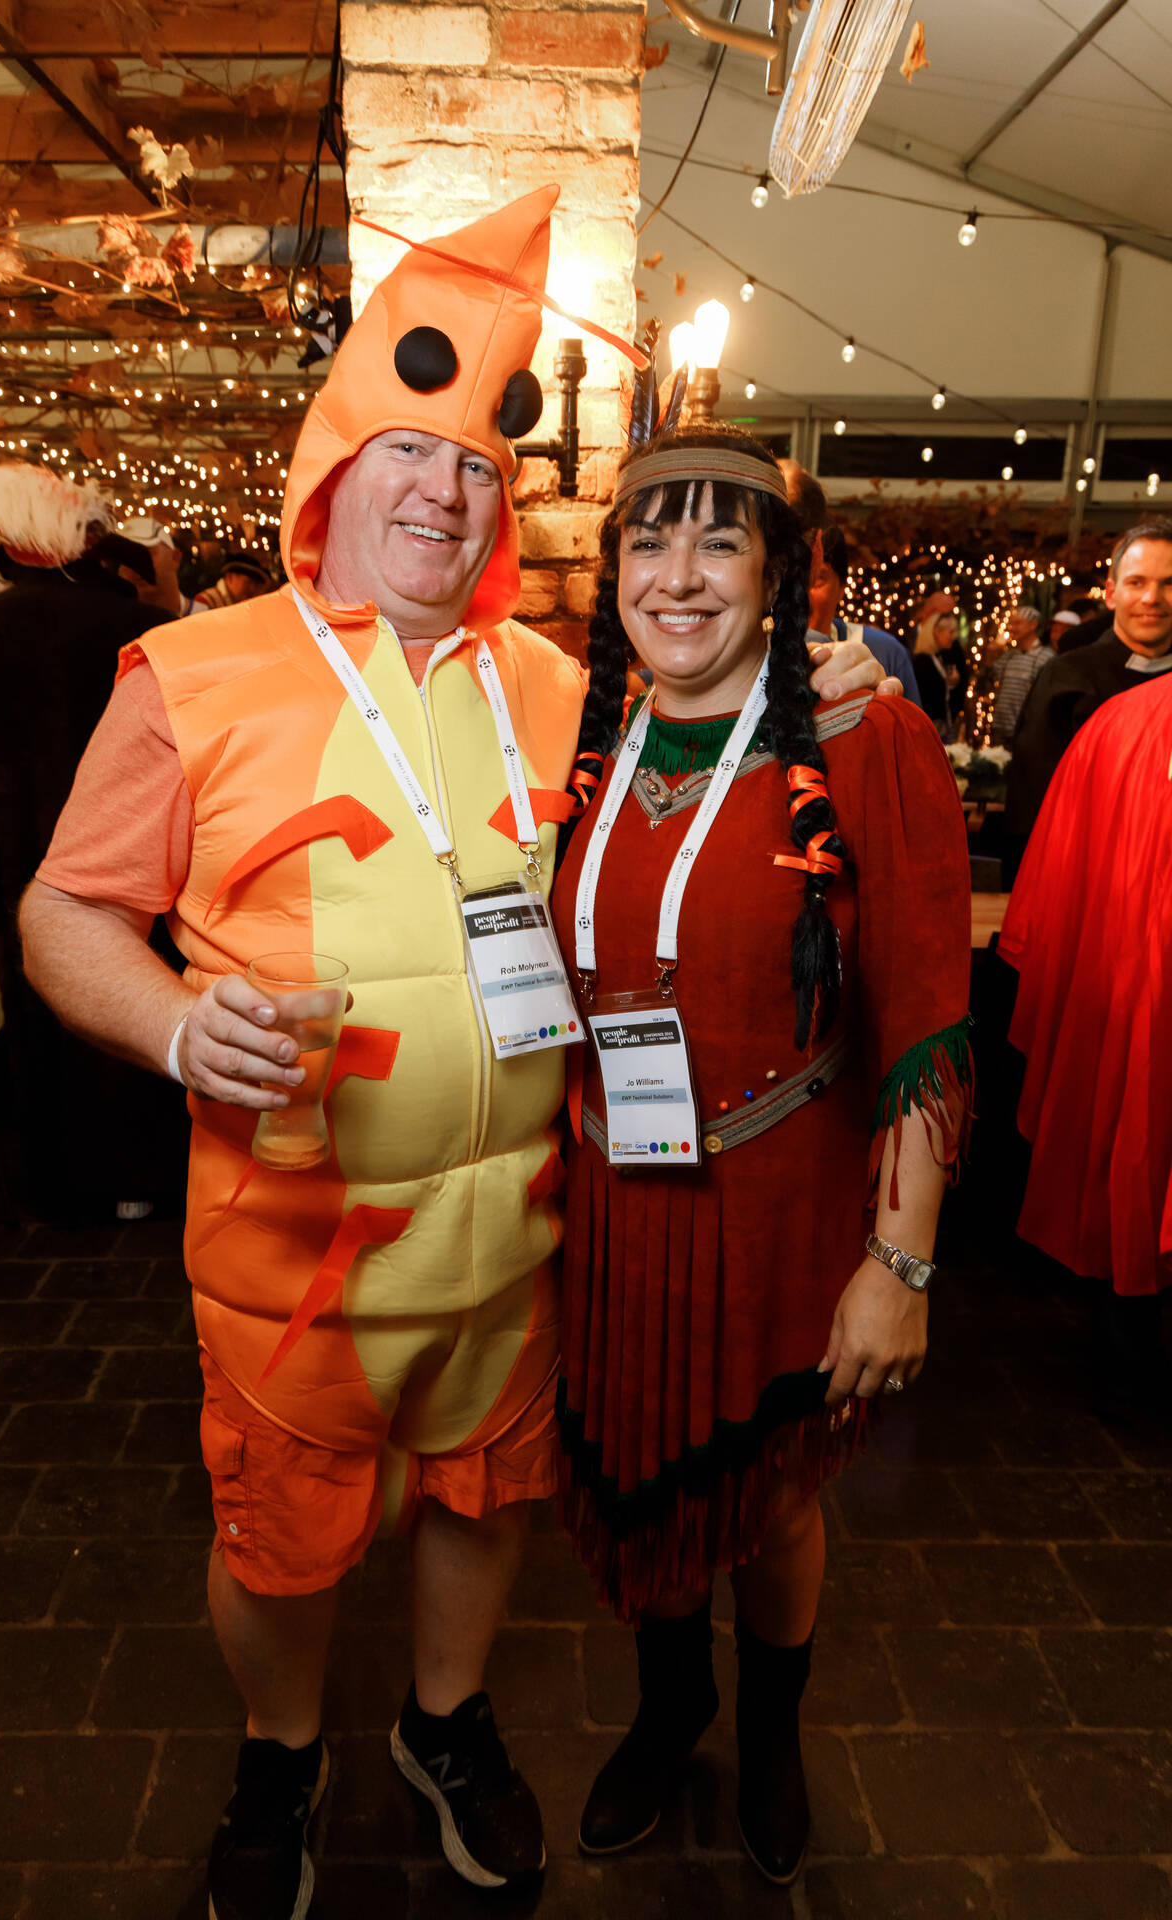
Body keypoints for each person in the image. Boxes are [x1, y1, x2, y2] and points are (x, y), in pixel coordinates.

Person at [17, 191, 892, 1920]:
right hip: (294, 1262)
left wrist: (828, 689)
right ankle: (280, 1755)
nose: (443, 492)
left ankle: (444, 1723)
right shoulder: (189, 675)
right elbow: (62, 911)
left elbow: (714, 770)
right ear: (334, 469)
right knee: (281, 1541)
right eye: (408, 453)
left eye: (478, 467)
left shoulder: (559, 686)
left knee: (484, 1502)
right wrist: (178, 1026)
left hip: (513, 1246)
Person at [550, 422, 972, 1884]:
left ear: (778, 577)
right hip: (615, 1202)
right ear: (611, 571)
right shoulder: (584, 736)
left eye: (717, 542)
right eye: (647, 541)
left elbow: (923, 1020)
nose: (676, 577)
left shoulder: (864, 741)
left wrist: (898, 1265)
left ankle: (772, 1735)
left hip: (778, 1202)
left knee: (774, 1493)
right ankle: (672, 1712)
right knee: (643, 1465)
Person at [0, 463, 188, 1222]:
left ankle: (66, 1189)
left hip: (25, 874)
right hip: (145, 870)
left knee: (48, 1027)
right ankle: (149, 1179)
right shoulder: (143, 632)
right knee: (139, 1011)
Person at [1000, 672, 1172, 1411]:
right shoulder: (1117, 722)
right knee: (1130, 1148)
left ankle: (1128, 1341)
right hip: (1131, 988)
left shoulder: (1118, 722)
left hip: (1133, 988)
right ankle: (1127, 1342)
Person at [1005, 520, 1172, 862]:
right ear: (1111, 594)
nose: (1151, 598)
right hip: (1086, 867)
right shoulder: (1066, 678)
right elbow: (1031, 803)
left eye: (1169, 584)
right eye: (1136, 582)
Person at [810, 523, 921, 706]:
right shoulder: (763, 655)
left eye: (818, 579)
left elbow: (912, 722)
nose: (801, 592)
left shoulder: (887, 652)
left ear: (842, 587)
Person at [988, 604, 1050, 745]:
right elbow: (991, 677)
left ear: (1033, 625)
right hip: (1000, 729)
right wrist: (992, 653)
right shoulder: (1009, 655)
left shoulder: (1045, 657)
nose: (1012, 628)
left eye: (1018, 623)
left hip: (1026, 732)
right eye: (1011, 624)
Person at [118, 515, 193, 618]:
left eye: (146, 554)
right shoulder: (111, 624)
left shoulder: (209, 618)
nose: (135, 564)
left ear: (175, 557)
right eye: (126, 557)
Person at [913, 608, 967, 737]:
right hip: (929, 728)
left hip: (942, 727)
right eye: (951, 632)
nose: (954, 637)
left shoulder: (938, 657)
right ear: (937, 632)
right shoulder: (922, 662)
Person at [192, 551, 274, 610]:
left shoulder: (241, 603)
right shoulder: (205, 601)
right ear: (230, 577)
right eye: (248, 582)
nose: (252, 588)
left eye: (255, 584)